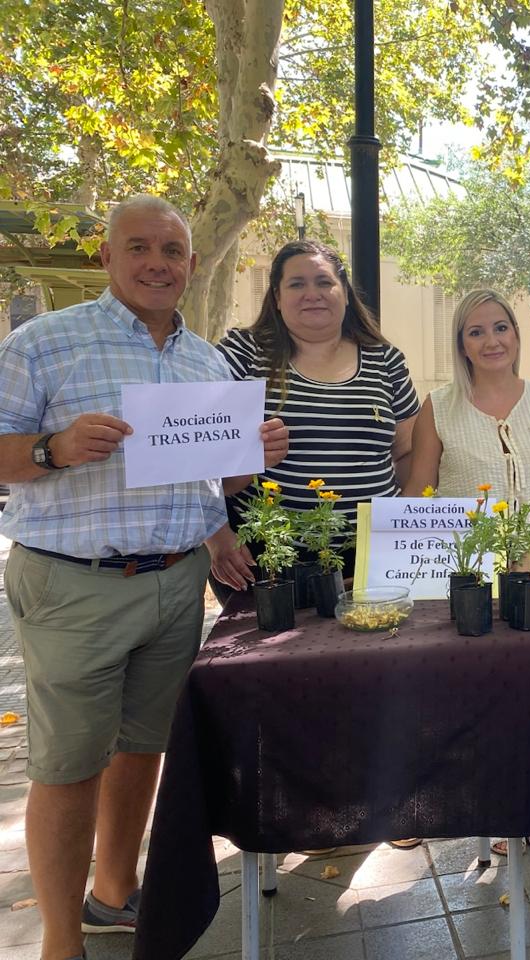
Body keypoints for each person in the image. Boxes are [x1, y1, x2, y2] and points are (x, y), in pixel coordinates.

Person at [0, 195, 286, 960]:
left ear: (192, 264)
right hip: (75, 585)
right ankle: (61, 943)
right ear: (107, 256)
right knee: (68, 768)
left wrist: (252, 456)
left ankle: (113, 893)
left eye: (172, 251)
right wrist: (54, 448)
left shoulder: (206, 362)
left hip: (175, 582)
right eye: (139, 248)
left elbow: (212, 484)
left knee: (142, 748)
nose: (157, 263)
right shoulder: (44, 342)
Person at [402, 288, 530, 856]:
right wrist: (401, 560)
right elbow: (419, 492)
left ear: (517, 335)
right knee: (474, 695)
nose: (491, 340)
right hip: (468, 579)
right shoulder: (439, 407)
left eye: (500, 327)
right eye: (476, 331)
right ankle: (486, 803)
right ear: (461, 344)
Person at [207, 239, 419, 593]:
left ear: (345, 293)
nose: (312, 294)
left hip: (370, 558)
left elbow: (409, 453)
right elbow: (194, 451)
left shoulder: (386, 360)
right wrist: (217, 537)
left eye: (324, 282)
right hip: (265, 559)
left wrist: (403, 531)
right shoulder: (242, 353)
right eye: (297, 284)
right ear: (277, 297)